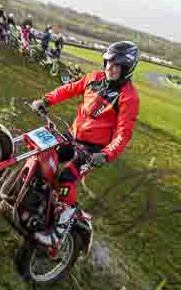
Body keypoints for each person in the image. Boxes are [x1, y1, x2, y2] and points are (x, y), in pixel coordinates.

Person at [29, 41, 141, 246]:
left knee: (66, 177)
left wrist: (106, 154)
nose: (110, 68)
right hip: (72, 136)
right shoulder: (94, 78)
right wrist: (46, 100)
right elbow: (70, 89)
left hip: (93, 150)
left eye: (117, 65)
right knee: (44, 156)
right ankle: (36, 201)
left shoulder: (129, 97)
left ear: (127, 69)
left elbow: (123, 133)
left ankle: (59, 231)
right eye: (107, 62)